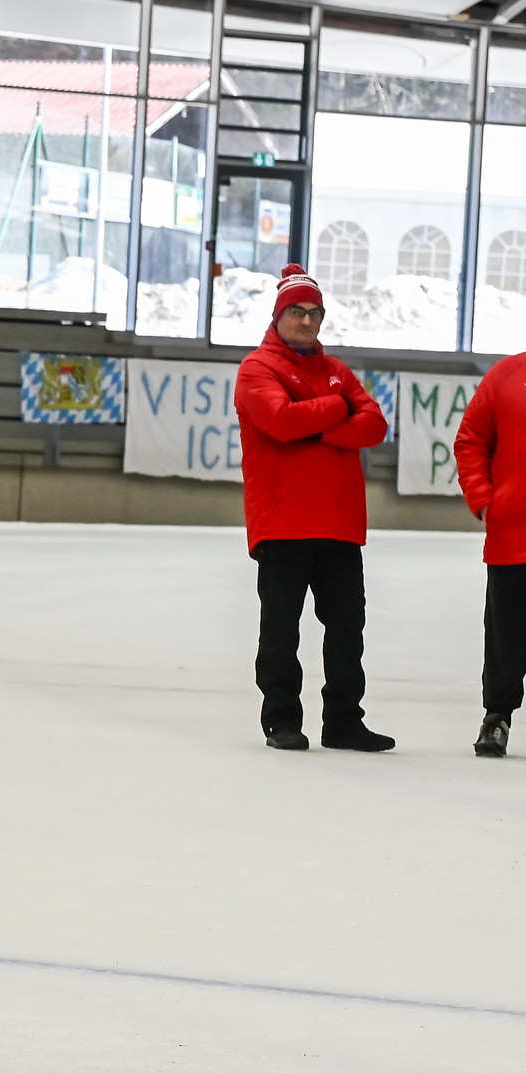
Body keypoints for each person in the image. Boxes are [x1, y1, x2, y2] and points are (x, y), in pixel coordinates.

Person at [233, 263, 393, 752]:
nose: (306, 321)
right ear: (279, 315)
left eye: (315, 313)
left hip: (340, 524)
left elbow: (374, 426)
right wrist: (335, 409)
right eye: (297, 311)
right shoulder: (257, 369)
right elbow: (280, 421)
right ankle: (282, 719)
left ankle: (343, 720)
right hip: (283, 522)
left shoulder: (337, 372)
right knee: (281, 628)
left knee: (347, 627)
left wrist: (316, 421)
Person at [452, 358, 526, 756]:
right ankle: (497, 716)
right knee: (506, 635)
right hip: (515, 534)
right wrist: (484, 501)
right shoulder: (507, 376)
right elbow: (471, 440)